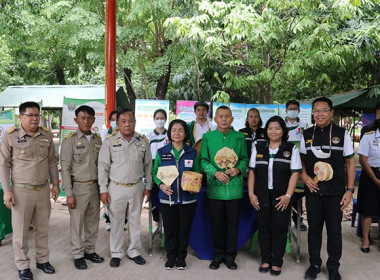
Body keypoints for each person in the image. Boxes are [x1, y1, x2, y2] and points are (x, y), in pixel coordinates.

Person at [0, 101, 59, 280]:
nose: (34, 119)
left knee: (42, 229)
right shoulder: (10, 137)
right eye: (30, 115)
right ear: (21, 117)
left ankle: (42, 260)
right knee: (21, 231)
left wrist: (55, 184)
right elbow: (4, 164)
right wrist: (7, 190)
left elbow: (51, 161)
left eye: (37, 115)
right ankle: (23, 265)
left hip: (42, 190)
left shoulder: (46, 136)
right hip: (21, 191)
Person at [300, 97, 355, 280]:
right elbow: (302, 160)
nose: (320, 114)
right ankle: (314, 264)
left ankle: (333, 267)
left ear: (331, 112)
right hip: (314, 191)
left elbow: (349, 163)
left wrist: (349, 190)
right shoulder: (306, 134)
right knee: (314, 229)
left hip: (335, 193)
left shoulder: (342, 133)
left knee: (334, 231)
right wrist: (305, 176)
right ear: (312, 113)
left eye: (324, 110)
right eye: (316, 111)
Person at [98, 109, 152, 268]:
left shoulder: (143, 141)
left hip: (136, 187)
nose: (127, 124)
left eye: (130, 121)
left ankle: (134, 251)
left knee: (135, 220)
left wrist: (148, 186)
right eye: (123, 121)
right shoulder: (109, 141)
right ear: (117, 123)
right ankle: (116, 253)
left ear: (135, 122)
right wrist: (103, 190)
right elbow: (102, 167)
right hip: (116, 187)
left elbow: (148, 166)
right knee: (116, 222)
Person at [248, 116, 302, 276]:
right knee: (264, 228)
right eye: (270, 128)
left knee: (279, 229)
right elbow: (252, 171)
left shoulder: (291, 149)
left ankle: (277, 262)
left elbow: (295, 174)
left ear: (283, 131)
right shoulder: (258, 148)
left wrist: (288, 195)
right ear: (266, 130)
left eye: (277, 128)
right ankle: (265, 259)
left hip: (282, 197)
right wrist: (251, 194)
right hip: (261, 195)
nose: (273, 131)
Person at [200, 105, 248, 270]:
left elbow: (244, 159)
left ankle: (230, 257)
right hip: (215, 189)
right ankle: (217, 255)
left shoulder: (240, 137)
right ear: (215, 119)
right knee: (217, 224)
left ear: (232, 119)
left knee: (232, 225)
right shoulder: (208, 137)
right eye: (220, 116)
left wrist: (238, 169)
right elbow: (203, 160)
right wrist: (214, 172)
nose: (224, 119)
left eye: (227, 116)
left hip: (234, 190)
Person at [60, 105, 104, 270]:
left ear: (94, 120)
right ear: (76, 120)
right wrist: (68, 193)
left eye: (89, 118)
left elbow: (102, 165)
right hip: (78, 188)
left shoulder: (98, 139)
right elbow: (64, 168)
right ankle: (78, 254)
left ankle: (90, 251)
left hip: (95, 187)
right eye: (82, 118)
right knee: (77, 223)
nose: (86, 121)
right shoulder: (69, 140)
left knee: (93, 222)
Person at [152, 119, 201, 270]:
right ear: (170, 132)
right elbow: (155, 172)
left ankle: (181, 257)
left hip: (188, 199)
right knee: (170, 229)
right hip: (168, 199)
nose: (177, 133)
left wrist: (195, 186)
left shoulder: (192, 152)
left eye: (180, 130)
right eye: (174, 130)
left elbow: (197, 173)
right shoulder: (162, 151)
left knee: (184, 229)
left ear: (185, 133)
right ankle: (171, 257)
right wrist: (161, 185)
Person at [357, 102, 380, 253]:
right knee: (367, 210)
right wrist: (376, 180)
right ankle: (366, 240)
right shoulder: (369, 135)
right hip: (370, 174)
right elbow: (362, 161)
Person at [102, 109, 128, 232]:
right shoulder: (104, 135)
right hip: (108, 172)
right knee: (109, 198)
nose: (114, 122)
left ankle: (123, 220)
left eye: (116, 120)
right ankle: (108, 219)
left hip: (121, 174)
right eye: (111, 120)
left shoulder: (126, 136)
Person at [285, 100, 309, 231]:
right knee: (285, 190)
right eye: (290, 108)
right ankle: (285, 219)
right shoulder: (281, 125)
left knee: (298, 193)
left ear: (299, 110)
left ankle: (298, 219)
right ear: (286, 110)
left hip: (299, 161)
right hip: (283, 162)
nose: (292, 110)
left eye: (295, 108)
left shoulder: (305, 125)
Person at [146, 109, 169, 231]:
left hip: (167, 168)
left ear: (165, 119)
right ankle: (156, 223)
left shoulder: (169, 134)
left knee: (166, 194)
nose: (159, 120)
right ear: (154, 119)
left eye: (162, 118)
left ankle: (165, 223)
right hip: (153, 167)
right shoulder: (149, 136)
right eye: (157, 118)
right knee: (154, 195)